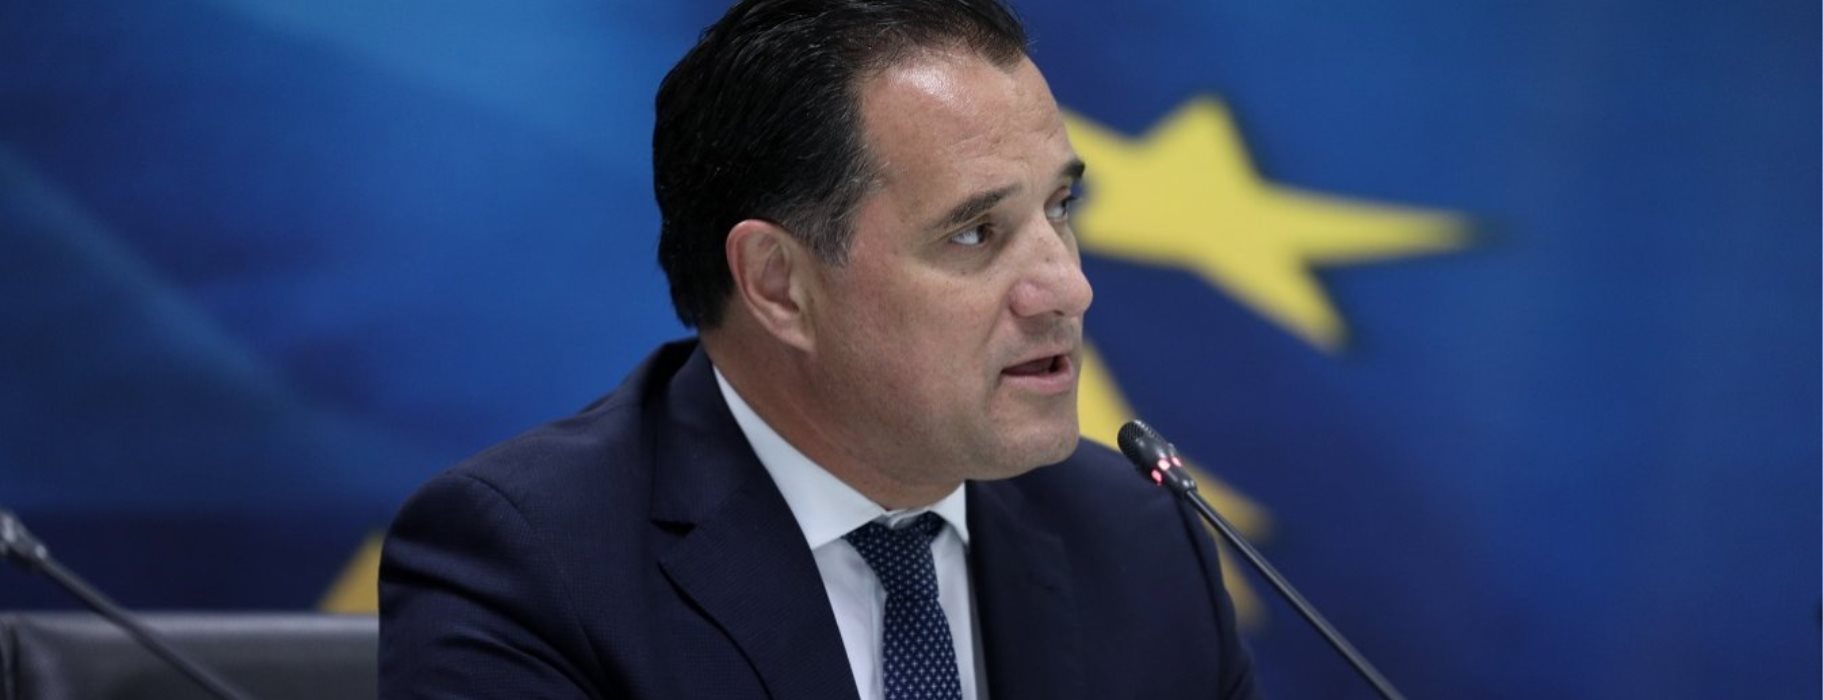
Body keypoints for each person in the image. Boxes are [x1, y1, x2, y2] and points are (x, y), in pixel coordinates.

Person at [379, 1, 1259, 698]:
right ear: (777, 284)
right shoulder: (532, 567)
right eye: (974, 233)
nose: (1067, 287)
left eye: (1059, 209)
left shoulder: (1137, 539)